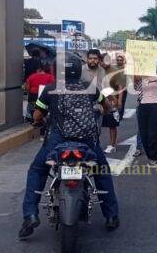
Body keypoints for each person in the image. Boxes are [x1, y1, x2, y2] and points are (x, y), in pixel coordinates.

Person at [19, 53, 120, 239]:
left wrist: (39, 121)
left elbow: (37, 116)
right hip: (87, 141)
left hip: (58, 140)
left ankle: (30, 215)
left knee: (37, 170)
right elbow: (106, 105)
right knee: (102, 171)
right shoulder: (90, 88)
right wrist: (101, 111)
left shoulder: (50, 89)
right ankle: (111, 215)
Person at [136, 75, 157, 166]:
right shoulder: (141, 75)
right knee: (143, 133)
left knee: (154, 132)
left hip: (156, 104)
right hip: (142, 105)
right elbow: (135, 89)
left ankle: (155, 158)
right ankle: (150, 157)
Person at [102, 53, 127, 154]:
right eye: (102, 60)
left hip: (112, 100)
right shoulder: (98, 70)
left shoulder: (114, 71)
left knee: (112, 124)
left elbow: (120, 87)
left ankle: (112, 145)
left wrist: (119, 100)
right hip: (99, 100)